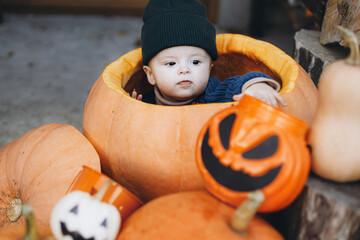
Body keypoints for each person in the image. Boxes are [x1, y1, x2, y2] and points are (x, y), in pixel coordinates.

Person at [131, 0, 286, 107]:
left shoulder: (214, 93)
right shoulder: (146, 103)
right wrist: (131, 110)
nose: (184, 70)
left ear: (210, 67)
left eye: (195, 62)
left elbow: (239, 83)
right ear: (150, 75)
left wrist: (257, 87)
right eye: (171, 63)